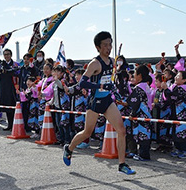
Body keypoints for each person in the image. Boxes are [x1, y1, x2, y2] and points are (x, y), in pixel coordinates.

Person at [62, 31, 135, 175]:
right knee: (87, 132)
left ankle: (122, 165)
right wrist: (100, 87)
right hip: (95, 101)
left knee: (121, 130)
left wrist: (113, 89)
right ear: (98, 47)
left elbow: (108, 80)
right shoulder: (94, 63)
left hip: (107, 100)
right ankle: (69, 148)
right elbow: (82, 83)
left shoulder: (112, 62)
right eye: (105, 45)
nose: (109, 48)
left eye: (110, 44)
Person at [127, 65, 153, 161]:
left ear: (140, 75)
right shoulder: (146, 86)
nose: (134, 75)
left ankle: (143, 155)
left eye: (135, 73)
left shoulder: (139, 88)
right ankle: (143, 154)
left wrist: (132, 114)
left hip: (141, 114)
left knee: (142, 135)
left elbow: (135, 102)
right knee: (145, 134)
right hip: (147, 113)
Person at [0, 49, 20, 131]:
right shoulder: (1, 65)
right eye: (5, 54)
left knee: (13, 105)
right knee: (7, 107)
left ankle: (16, 124)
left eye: (8, 54)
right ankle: (9, 124)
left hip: (13, 87)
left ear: (11, 55)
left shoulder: (15, 64)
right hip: (3, 87)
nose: (6, 56)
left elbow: (17, 73)